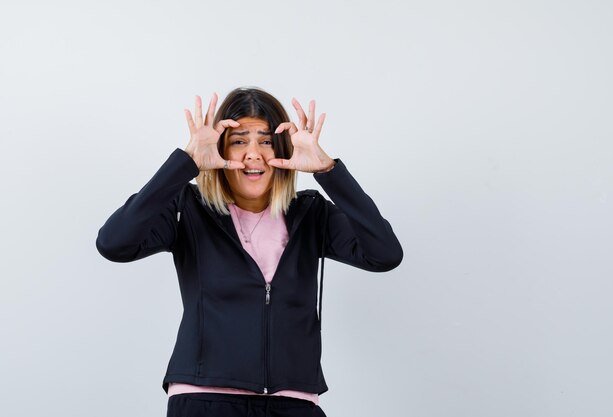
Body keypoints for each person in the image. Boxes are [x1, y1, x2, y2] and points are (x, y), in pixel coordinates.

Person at [96, 87, 403, 417]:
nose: (253, 154)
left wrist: (329, 172)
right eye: (239, 140)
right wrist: (184, 165)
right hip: (205, 399)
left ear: (283, 150)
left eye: (267, 141)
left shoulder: (312, 215)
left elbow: (384, 253)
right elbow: (114, 243)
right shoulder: (188, 209)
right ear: (220, 148)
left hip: (294, 402)